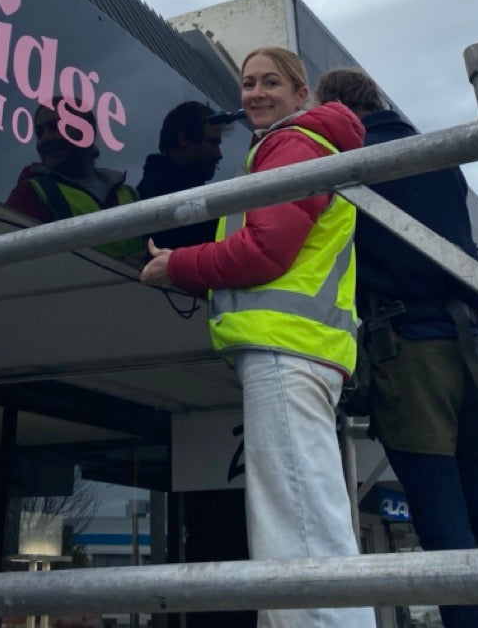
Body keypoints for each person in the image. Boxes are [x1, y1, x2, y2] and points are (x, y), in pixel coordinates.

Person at [314, 67, 478, 628]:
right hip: (471, 348)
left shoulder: (351, 160)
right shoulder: (436, 158)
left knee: (445, 525)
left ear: (338, 110)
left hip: (410, 351)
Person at [141, 47, 374, 628]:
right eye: (247, 83)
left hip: (285, 348)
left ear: (303, 95)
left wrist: (177, 265)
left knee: (297, 526)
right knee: (307, 515)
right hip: (300, 350)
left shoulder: (292, 144)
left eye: (272, 82)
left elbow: (265, 251)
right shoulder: (304, 145)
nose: (255, 93)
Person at [5, 99, 141, 258]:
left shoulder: (129, 194)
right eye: (39, 133)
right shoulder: (31, 193)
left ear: (88, 132)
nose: (46, 139)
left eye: (58, 126)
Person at [137, 100, 225, 247]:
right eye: (213, 143)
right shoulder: (164, 199)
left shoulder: (151, 187)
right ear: (184, 139)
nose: (219, 155)